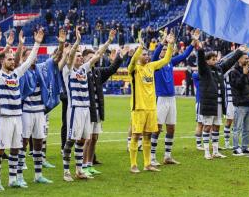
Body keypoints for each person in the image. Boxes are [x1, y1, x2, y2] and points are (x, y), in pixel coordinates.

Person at [0, 26, 43, 190]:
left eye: (13, 59)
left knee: (15, 149)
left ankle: (12, 179)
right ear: (2, 61)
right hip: (4, 118)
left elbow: (28, 61)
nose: (12, 61)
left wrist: (36, 44)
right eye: (9, 59)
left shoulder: (16, 74)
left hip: (17, 117)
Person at [61, 27, 115, 181]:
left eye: (80, 56)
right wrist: (77, 42)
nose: (78, 58)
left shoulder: (84, 70)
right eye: (77, 56)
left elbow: (97, 55)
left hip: (86, 109)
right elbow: (70, 57)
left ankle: (79, 170)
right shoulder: (68, 70)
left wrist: (109, 41)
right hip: (75, 109)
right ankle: (66, 171)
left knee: (82, 140)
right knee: (71, 140)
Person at [18, 28, 65, 184]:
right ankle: (18, 175)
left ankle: (38, 175)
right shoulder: (23, 71)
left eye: (35, 55)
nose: (35, 57)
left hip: (40, 112)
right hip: (26, 111)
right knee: (23, 142)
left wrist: (61, 44)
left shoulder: (41, 68)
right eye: (30, 55)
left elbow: (57, 58)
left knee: (38, 141)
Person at [128, 29, 175, 173]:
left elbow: (166, 60)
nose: (147, 56)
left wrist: (170, 44)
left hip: (151, 107)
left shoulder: (151, 67)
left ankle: (147, 164)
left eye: (147, 54)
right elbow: (132, 61)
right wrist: (140, 47)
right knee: (136, 135)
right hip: (138, 108)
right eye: (144, 54)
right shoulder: (134, 69)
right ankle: (133, 165)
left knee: (148, 135)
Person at [150, 29, 198, 166]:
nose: (165, 51)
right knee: (157, 128)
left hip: (172, 98)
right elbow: (154, 56)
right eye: (163, 49)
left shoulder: (170, 62)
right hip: (161, 99)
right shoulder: (155, 64)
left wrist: (193, 41)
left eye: (166, 49)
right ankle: (152, 157)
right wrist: (164, 42)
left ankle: (167, 156)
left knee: (171, 128)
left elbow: (185, 55)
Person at [83, 45, 127, 176]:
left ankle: (90, 164)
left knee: (95, 138)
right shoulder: (81, 72)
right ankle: (83, 165)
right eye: (89, 58)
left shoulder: (97, 71)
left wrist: (119, 57)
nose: (93, 60)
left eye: (93, 57)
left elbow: (112, 69)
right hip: (87, 111)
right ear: (84, 59)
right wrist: (108, 42)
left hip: (97, 110)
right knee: (88, 138)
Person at [196, 42, 245, 160]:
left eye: (215, 59)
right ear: (207, 61)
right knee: (207, 127)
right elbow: (200, 61)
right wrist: (201, 49)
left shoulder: (219, 69)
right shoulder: (204, 70)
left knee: (216, 127)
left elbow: (229, 62)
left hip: (219, 104)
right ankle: (207, 152)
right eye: (212, 59)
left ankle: (216, 151)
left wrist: (239, 51)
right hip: (209, 104)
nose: (215, 61)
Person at [228, 52, 249, 156]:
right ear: (239, 59)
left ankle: (245, 147)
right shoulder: (234, 72)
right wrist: (244, 74)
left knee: (247, 128)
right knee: (237, 128)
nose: (247, 60)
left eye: (247, 58)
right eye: (245, 58)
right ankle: (236, 148)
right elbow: (237, 85)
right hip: (240, 104)